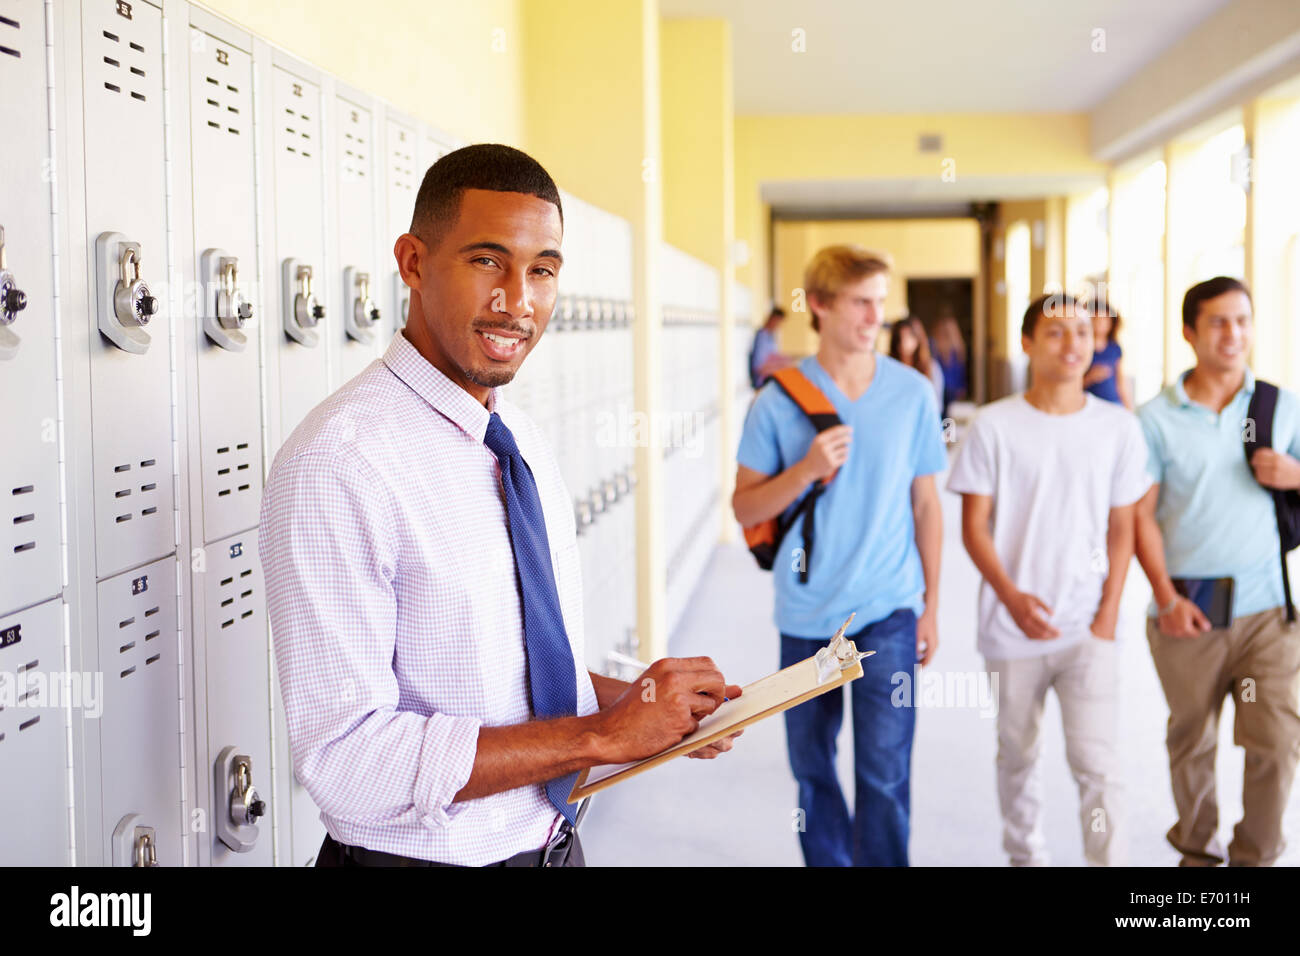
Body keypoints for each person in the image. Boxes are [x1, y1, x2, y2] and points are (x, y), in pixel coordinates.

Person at [260, 144, 743, 868]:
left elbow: (507, 676)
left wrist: (639, 704)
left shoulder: (518, 443)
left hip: (552, 848)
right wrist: (599, 739)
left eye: (542, 271)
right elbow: (344, 759)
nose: (517, 300)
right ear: (414, 262)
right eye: (488, 261)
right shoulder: (340, 462)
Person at [732, 244, 945, 867]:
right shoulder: (777, 401)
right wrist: (805, 469)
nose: (874, 317)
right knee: (814, 773)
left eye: (880, 302)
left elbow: (927, 504)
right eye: (859, 303)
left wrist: (931, 606)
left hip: (890, 611)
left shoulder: (913, 393)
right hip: (807, 618)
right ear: (818, 306)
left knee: (885, 776)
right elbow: (745, 509)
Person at [948, 293, 1150, 867]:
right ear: (1027, 343)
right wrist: (1011, 598)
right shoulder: (994, 426)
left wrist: (1108, 613)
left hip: (1088, 627)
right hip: (1012, 628)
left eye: (1083, 332)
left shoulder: (1117, 428)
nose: (1073, 344)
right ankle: (1025, 857)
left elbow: (1122, 528)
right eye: (1057, 333)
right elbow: (974, 527)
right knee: (1018, 755)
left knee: (1099, 765)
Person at [1134, 275, 1300, 867]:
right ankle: (1198, 856)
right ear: (1189, 333)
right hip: (1188, 611)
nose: (1234, 334)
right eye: (1219, 322)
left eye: (1243, 320)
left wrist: (1296, 475)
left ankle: (1255, 858)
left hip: (1267, 612)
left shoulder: (1279, 405)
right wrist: (1164, 597)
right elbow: (1140, 518)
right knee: (1193, 740)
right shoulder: (1154, 418)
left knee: (1277, 744)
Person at [1083, 296, 1133, 409]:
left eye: (1104, 319)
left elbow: (1121, 382)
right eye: (1095, 319)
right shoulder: (1082, 348)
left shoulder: (1114, 349)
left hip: (1114, 404)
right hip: (1090, 406)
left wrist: (1129, 408)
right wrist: (1090, 378)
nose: (1100, 323)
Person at [889, 315, 944, 409]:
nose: (904, 342)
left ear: (918, 338)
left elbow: (936, 404)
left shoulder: (931, 367)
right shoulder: (889, 368)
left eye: (909, 336)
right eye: (900, 337)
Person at [931, 310, 968, 415]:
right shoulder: (957, 348)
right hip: (948, 387)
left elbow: (959, 370)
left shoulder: (938, 347)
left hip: (945, 387)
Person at [749, 305, 794, 388]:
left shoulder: (771, 336)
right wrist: (781, 365)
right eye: (779, 322)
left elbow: (773, 356)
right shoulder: (762, 337)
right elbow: (759, 367)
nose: (779, 326)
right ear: (773, 319)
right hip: (763, 381)